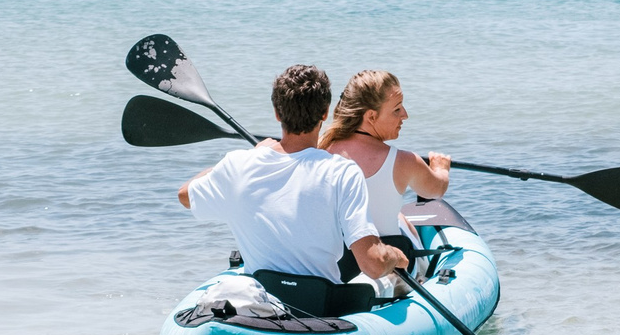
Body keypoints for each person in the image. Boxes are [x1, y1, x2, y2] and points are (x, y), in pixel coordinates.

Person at [179, 64, 414, 299]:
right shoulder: (342, 172)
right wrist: (395, 255)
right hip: (319, 306)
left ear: (277, 113)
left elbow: (185, 195)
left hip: (263, 301)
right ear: (324, 113)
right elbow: (372, 264)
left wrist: (238, 161)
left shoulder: (237, 164)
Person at [318, 70, 453, 274]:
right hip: (388, 265)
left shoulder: (319, 151)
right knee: (402, 220)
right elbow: (436, 190)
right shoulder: (403, 161)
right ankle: (424, 277)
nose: (405, 115)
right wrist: (440, 168)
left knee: (400, 216)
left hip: (337, 268)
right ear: (371, 116)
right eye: (396, 109)